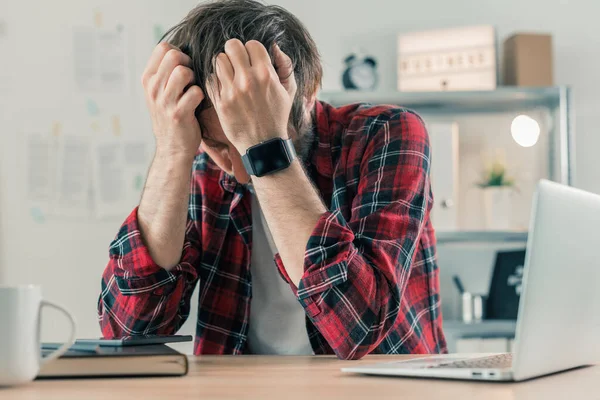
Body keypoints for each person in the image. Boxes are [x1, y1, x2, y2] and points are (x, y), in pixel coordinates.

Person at [98, 0, 446, 360]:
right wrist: (171, 150)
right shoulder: (202, 169)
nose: (238, 169)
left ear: (308, 95)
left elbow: (359, 327)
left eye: (244, 145)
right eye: (218, 145)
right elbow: (129, 331)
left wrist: (265, 145)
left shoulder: (386, 134)